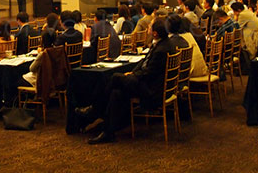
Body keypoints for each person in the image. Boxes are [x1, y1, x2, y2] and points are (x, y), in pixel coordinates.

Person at [79, 15, 188, 144]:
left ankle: (95, 109)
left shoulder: (161, 50)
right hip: (153, 85)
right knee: (116, 93)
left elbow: (148, 73)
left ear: (155, 33)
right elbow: (144, 63)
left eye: (150, 26)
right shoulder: (163, 43)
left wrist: (131, 76)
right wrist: (132, 73)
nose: (148, 27)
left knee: (115, 77)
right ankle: (108, 131)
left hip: (152, 91)